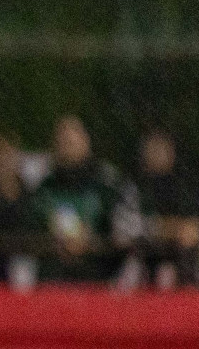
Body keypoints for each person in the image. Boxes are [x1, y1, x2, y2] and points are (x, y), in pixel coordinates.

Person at [23, 115, 137, 282]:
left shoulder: (108, 183)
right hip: (53, 279)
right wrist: (55, 241)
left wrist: (91, 240)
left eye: (71, 141)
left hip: (99, 278)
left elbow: (126, 228)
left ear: (86, 142)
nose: (67, 147)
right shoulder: (44, 187)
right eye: (62, 141)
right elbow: (28, 225)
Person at [130, 129, 199, 288]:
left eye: (163, 149)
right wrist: (170, 228)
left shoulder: (185, 184)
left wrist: (190, 229)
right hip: (148, 249)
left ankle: (192, 294)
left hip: (186, 247)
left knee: (197, 242)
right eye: (153, 149)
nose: (158, 155)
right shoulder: (135, 186)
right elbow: (133, 226)